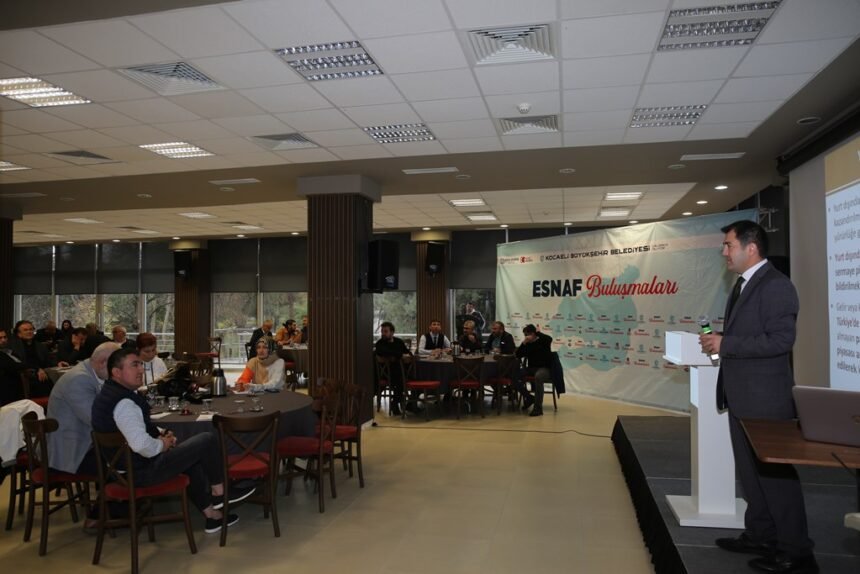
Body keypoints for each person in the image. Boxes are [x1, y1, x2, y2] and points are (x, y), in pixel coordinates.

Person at [699, 220, 816, 574]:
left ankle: (797, 551)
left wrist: (726, 344)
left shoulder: (776, 286)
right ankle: (761, 534)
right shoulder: (744, 284)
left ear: (751, 248)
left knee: (774, 477)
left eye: (729, 245)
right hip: (743, 396)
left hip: (766, 399)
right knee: (751, 474)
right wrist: (723, 342)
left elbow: (781, 340)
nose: (724, 252)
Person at [91, 348, 253, 533]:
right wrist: (163, 444)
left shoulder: (109, 395)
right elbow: (142, 445)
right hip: (140, 473)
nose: (141, 370)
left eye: (141, 365)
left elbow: (133, 428)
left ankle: (212, 516)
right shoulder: (124, 403)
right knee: (207, 440)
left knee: (190, 455)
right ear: (116, 372)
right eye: (134, 365)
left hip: (121, 471)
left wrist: (163, 432)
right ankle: (220, 493)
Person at [47, 342, 120, 475]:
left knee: (133, 453)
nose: (118, 372)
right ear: (103, 363)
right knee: (131, 459)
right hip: (72, 452)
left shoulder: (90, 372)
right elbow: (96, 420)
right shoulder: (79, 379)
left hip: (86, 442)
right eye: (117, 367)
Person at [8, 320, 59, 398]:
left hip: (43, 374)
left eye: (31, 329)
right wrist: (37, 369)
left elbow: (48, 361)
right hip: (25, 377)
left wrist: (58, 363)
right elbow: (17, 363)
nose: (29, 332)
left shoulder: (40, 346)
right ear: (19, 334)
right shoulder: (13, 347)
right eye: (25, 330)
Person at [514, 324, 552, 417]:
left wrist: (538, 333)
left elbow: (549, 339)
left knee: (538, 377)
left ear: (533, 334)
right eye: (525, 335)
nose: (526, 337)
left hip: (544, 368)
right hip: (531, 368)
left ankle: (538, 408)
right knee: (513, 375)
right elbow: (518, 355)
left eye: (528, 334)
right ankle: (529, 397)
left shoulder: (543, 341)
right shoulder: (528, 344)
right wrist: (523, 343)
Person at [374, 321, 409, 416]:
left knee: (414, 376)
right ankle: (395, 403)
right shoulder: (380, 343)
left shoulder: (399, 342)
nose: (383, 333)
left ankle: (410, 404)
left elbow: (407, 352)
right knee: (401, 379)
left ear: (392, 332)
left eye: (385, 331)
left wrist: (399, 355)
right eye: (382, 331)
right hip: (386, 373)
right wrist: (399, 355)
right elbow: (384, 352)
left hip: (400, 371)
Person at [0, 328, 27, 406]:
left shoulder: (9, 351)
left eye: (5, 337)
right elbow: (13, 366)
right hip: (6, 390)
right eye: (0, 338)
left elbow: (22, 363)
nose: (3, 340)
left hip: (17, 385)